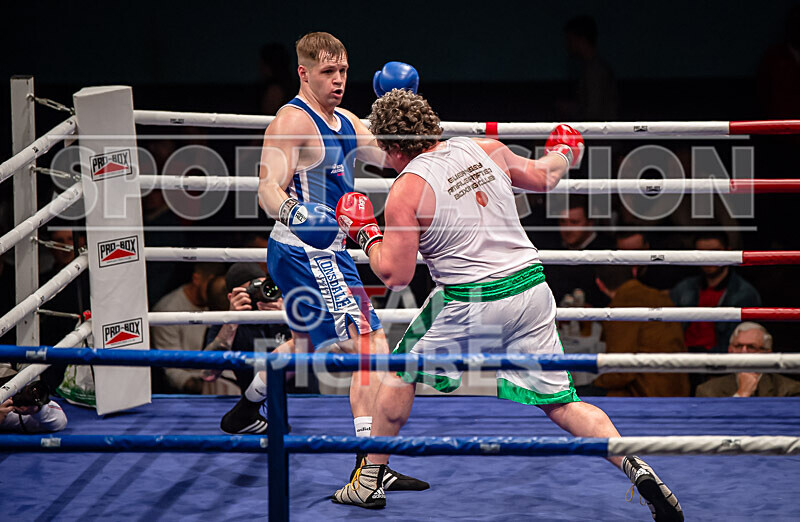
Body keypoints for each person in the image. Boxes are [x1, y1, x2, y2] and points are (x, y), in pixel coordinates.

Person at [331, 90, 683, 522]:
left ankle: (368, 483)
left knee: (398, 372)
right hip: (532, 289)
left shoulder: (408, 187)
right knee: (561, 402)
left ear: (393, 147)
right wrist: (564, 151)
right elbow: (547, 176)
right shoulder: (486, 148)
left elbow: (395, 275)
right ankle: (635, 465)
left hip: (472, 299)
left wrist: (365, 233)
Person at [222, 32, 426, 491]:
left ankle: (247, 408)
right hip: (304, 249)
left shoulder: (347, 120)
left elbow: (394, 155)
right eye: (328, 73)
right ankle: (368, 466)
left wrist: (399, 103)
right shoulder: (290, 122)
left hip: (328, 250)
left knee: (304, 345)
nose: (338, 81)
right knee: (371, 350)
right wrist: (297, 211)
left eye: (344, 72)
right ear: (304, 72)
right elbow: (267, 187)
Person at [593, 265, 690, 397]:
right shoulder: (662, 298)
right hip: (678, 389)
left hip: (647, 394)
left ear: (599, 284)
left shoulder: (618, 308)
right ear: (634, 272)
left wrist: (595, 383)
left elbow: (621, 372)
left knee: (573, 398)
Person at [150, 262, 234, 394]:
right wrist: (202, 387)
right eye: (211, 285)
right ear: (196, 279)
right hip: (192, 390)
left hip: (226, 381)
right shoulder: (167, 311)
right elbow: (171, 369)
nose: (215, 290)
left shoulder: (221, 302)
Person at [697, 322, 800, 398]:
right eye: (738, 346)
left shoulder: (790, 390)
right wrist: (741, 394)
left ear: (767, 353)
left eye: (751, 347)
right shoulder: (708, 391)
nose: (744, 352)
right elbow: (713, 426)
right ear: (730, 350)